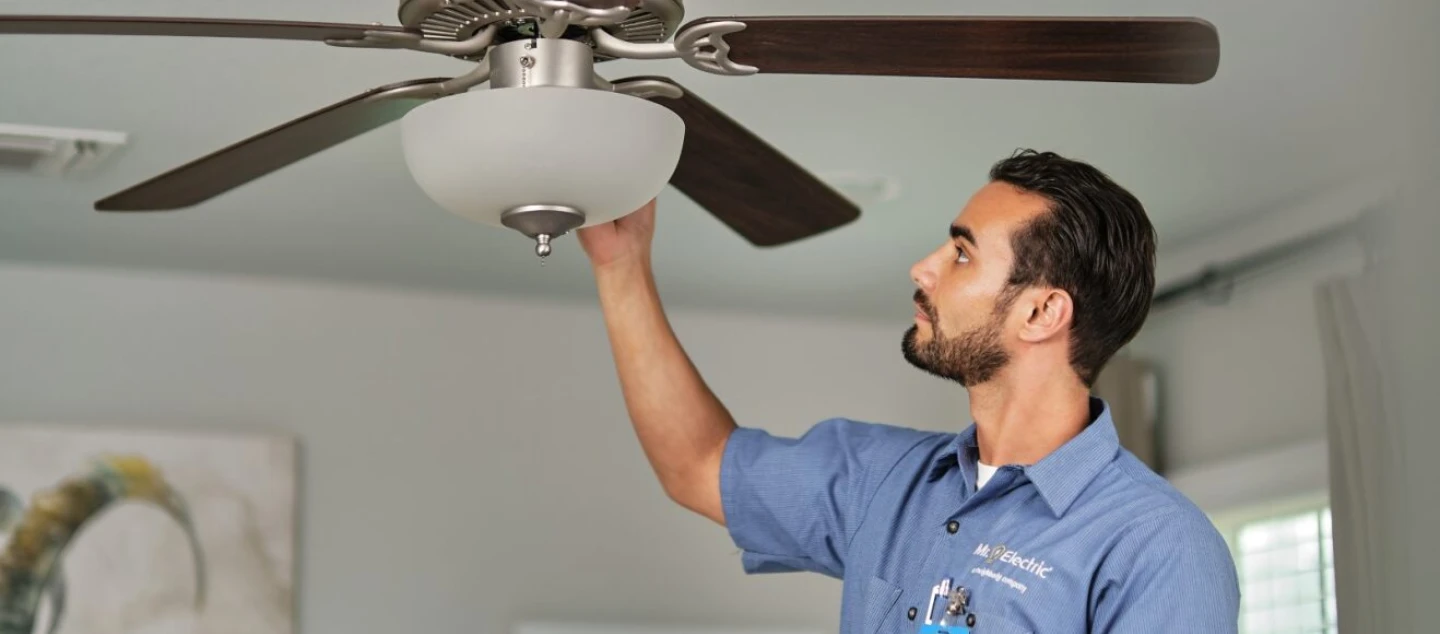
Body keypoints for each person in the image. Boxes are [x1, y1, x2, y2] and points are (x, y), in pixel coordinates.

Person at [577, 149, 1240, 633]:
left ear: (1041, 314)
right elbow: (697, 465)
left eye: (961, 253)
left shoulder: (1161, 547)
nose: (922, 267)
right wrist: (621, 267)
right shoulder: (884, 483)